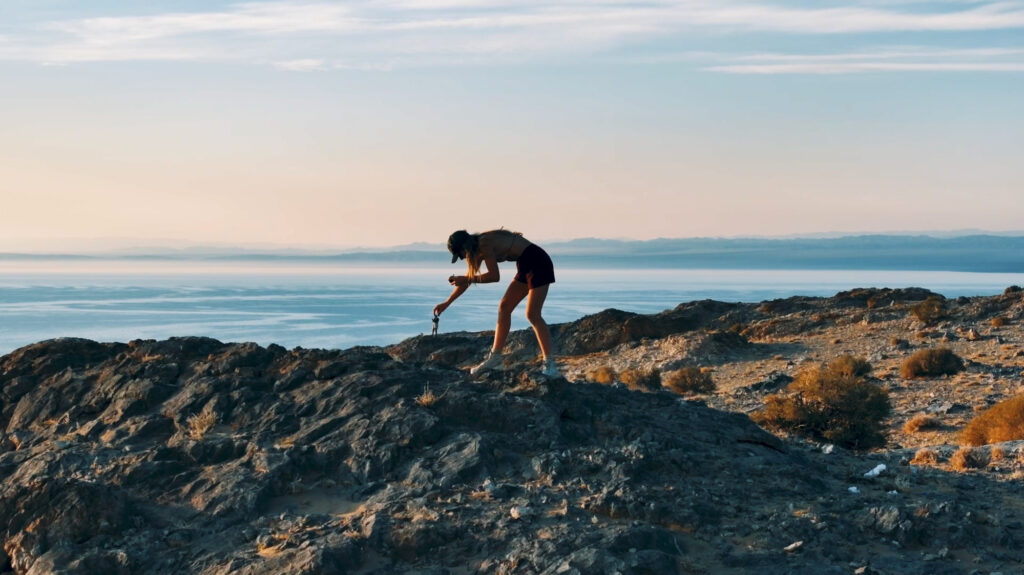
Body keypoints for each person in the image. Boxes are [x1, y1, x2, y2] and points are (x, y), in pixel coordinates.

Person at [433, 229, 559, 377]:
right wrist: (447, 302)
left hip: (538, 261)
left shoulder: (484, 243)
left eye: (460, 254)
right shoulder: (476, 251)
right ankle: (495, 358)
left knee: (533, 314)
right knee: (504, 308)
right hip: (524, 264)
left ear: (465, 246)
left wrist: (466, 279)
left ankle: (549, 364)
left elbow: (494, 276)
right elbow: (467, 280)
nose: (461, 258)